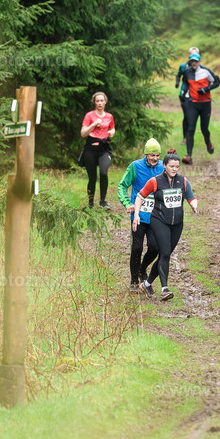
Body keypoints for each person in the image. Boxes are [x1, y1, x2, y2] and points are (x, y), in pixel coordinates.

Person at [133, 149, 198, 301]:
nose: (174, 169)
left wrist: (194, 205)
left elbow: (191, 197)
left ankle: (147, 284)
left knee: (164, 255)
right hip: (159, 220)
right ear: (164, 166)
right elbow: (140, 197)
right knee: (165, 253)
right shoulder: (154, 181)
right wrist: (136, 215)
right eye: (171, 167)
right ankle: (164, 289)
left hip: (177, 223)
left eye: (177, 167)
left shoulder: (183, 181)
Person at [117, 138, 165, 293]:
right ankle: (133, 281)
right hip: (138, 215)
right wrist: (127, 203)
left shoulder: (163, 167)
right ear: (146, 154)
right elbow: (122, 186)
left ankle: (142, 269)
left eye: (157, 155)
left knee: (155, 247)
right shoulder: (135, 166)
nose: (155, 159)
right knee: (137, 247)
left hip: (155, 216)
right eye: (152, 155)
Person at [180, 53, 220, 165]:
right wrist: (183, 94)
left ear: (199, 62)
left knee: (204, 129)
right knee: (191, 129)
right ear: (189, 62)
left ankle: (208, 142)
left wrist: (206, 89)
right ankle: (189, 156)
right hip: (192, 103)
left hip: (205, 104)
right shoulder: (187, 72)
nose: (194, 63)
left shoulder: (206, 71)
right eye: (192, 61)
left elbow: (217, 82)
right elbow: (186, 83)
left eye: (196, 61)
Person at [80, 91, 115, 209]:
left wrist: (112, 132)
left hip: (104, 149)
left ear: (105, 102)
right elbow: (83, 133)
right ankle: (90, 202)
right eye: (97, 101)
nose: (100, 103)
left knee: (104, 173)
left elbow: (112, 128)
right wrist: (94, 124)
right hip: (91, 148)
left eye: (102, 101)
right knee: (92, 177)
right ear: (94, 102)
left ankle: (103, 201)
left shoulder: (109, 116)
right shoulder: (89, 116)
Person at [175, 47, 200, 146]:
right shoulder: (183, 66)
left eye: (196, 55)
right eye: (192, 55)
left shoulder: (200, 68)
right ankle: (185, 137)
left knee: (192, 117)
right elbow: (178, 75)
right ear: (188, 55)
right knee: (187, 116)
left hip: (196, 95)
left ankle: (190, 137)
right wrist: (177, 83)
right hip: (184, 95)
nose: (193, 58)